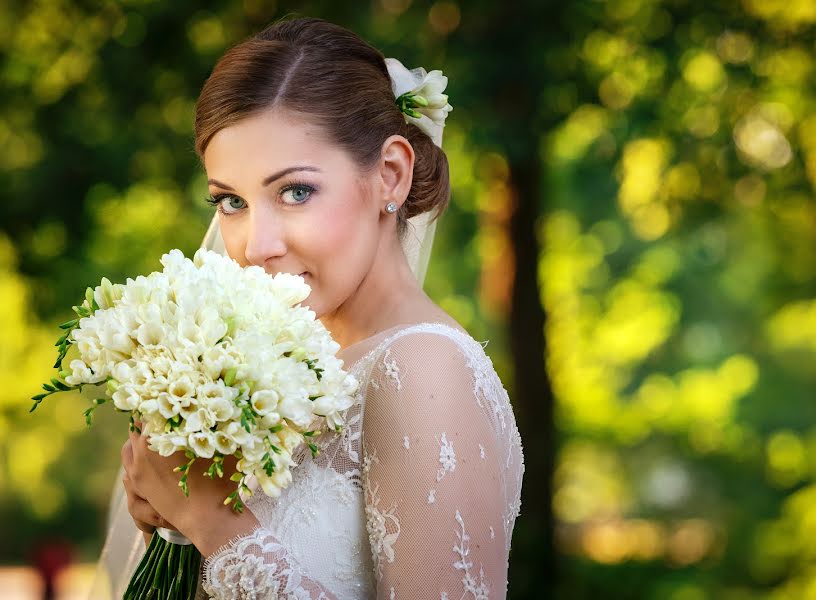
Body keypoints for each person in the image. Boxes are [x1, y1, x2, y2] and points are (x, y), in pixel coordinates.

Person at [105, 16, 524, 599]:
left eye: (295, 192)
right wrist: (169, 526)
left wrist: (212, 521)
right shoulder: (269, 371)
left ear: (390, 175)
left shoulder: (422, 371)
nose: (255, 245)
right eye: (231, 201)